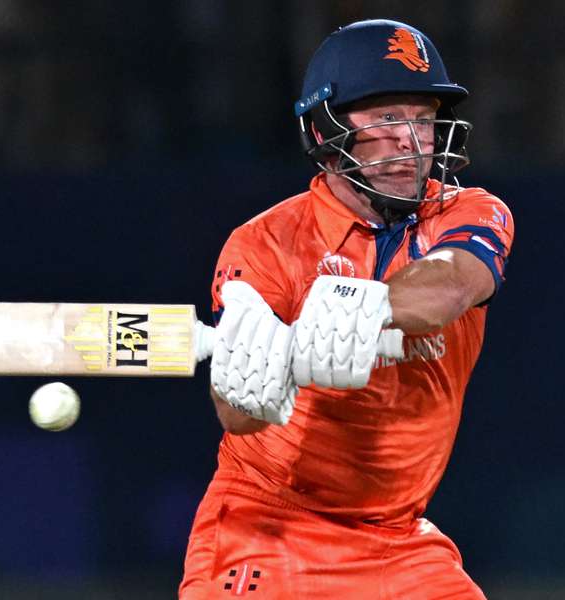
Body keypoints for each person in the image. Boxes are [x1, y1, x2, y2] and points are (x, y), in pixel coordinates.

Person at [180, 19, 514, 599]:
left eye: (424, 118)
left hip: (397, 539)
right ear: (323, 128)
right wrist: (263, 373)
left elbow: (452, 285)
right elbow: (238, 416)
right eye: (387, 119)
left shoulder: (469, 211)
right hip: (270, 525)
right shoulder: (265, 244)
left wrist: (364, 309)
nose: (413, 141)